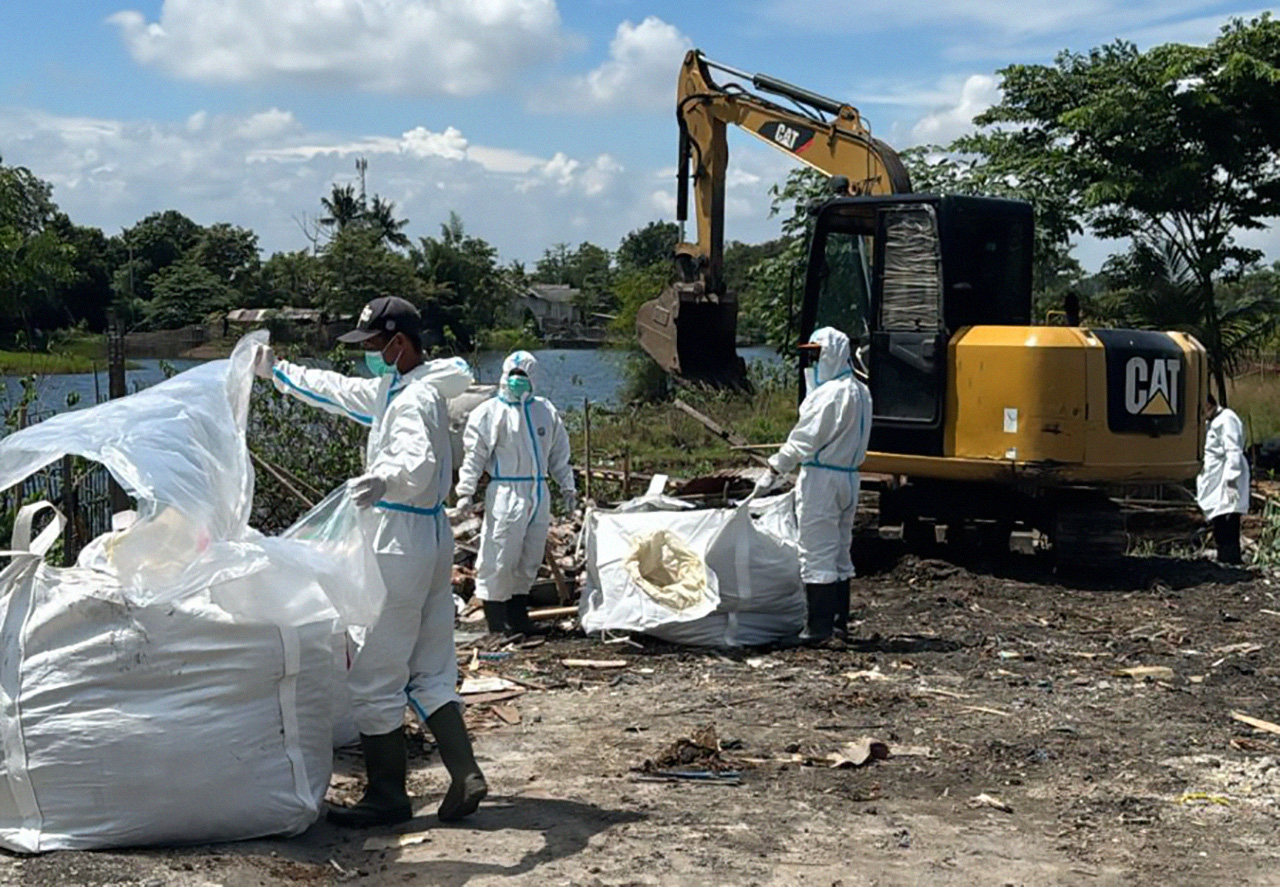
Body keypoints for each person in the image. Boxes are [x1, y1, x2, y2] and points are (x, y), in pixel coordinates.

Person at [252, 296, 487, 828]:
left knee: (376, 672)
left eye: (374, 347)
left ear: (398, 344)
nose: (369, 357)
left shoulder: (412, 402)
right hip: (429, 537)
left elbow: (416, 459)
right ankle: (465, 770)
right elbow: (339, 391)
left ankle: (387, 795)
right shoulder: (402, 387)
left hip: (397, 537)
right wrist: (278, 372)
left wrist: (386, 479)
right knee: (429, 665)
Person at [753, 327, 873, 644]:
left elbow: (803, 440)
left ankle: (817, 629)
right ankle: (838, 623)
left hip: (823, 479)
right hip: (849, 476)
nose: (813, 362)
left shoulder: (830, 395)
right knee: (839, 551)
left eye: (817, 355)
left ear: (832, 354)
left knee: (816, 551)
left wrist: (774, 469)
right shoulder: (861, 391)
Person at [455, 351, 576, 635]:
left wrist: (567, 485)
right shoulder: (489, 413)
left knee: (530, 555)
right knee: (499, 555)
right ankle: (497, 622)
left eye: (523, 376)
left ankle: (518, 616)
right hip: (506, 491)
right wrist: (465, 491)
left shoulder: (544, 411)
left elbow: (559, 454)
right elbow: (474, 455)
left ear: (533, 378)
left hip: (539, 491)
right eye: (514, 375)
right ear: (504, 375)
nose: (518, 381)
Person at [1197, 391, 1249, 565]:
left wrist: (1231, 479)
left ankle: (1231, 558)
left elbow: (1233, 450)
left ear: (1208, 404)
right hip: (1215, 477)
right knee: (1219, 517)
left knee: (1229, 517)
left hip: (1226, 475)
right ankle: (1223, 556)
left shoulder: (1227, 419)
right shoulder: (1210, 422)